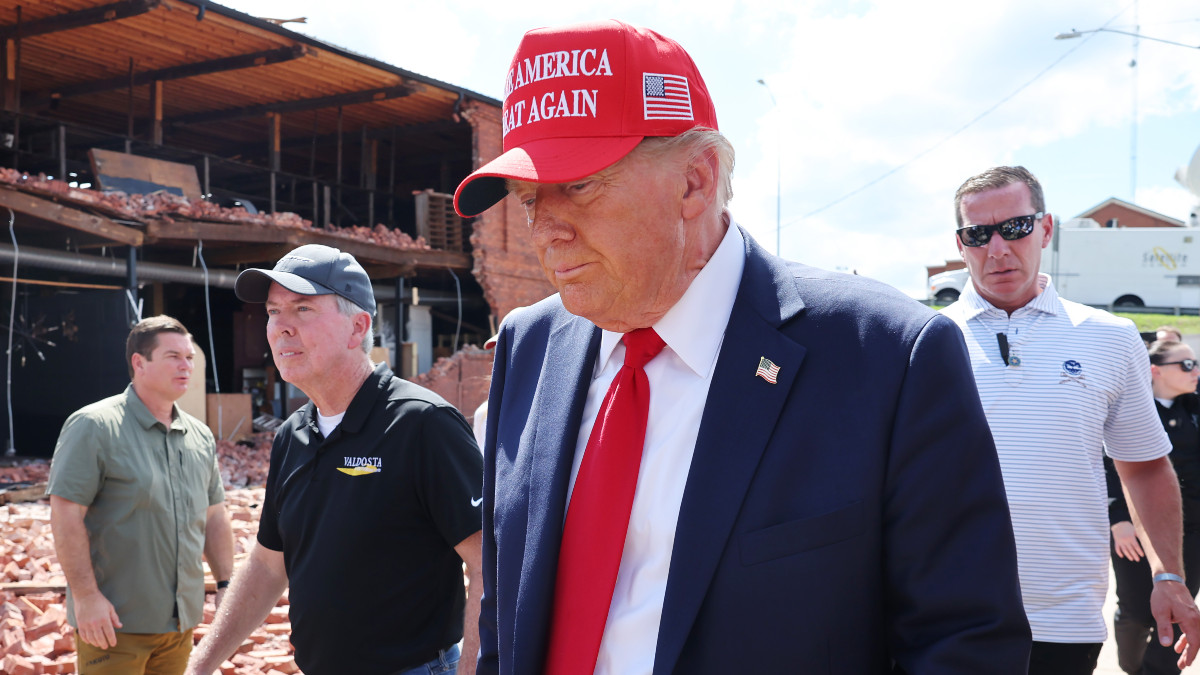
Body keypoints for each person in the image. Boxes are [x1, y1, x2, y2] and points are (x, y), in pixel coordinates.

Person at [453, 19, 1030, 675]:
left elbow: (965, 643)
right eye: (528, 199)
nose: (546, 230)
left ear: (694, 181)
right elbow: (507, 616)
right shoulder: (530, 345)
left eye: (578, 186)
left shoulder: (887, 357)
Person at [942, 165, 1200, 675]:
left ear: (1045, 228)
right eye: (978, 234)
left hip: (1065, 620)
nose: (997, 249)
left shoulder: (1111, 336)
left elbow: (1145, 467)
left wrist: (1169, 575)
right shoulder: (925, 338)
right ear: (961, 242)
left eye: (1014, 227)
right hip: (945, 616)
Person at [184, 244, 483, 675]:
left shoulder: (422, 424)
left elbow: (488, 565)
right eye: (272, 311)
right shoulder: (292, 436)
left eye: (302, 309)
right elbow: (269, 566)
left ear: (357, 327)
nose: (280, 327)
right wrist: (200, 666)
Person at [47, 315, 233, 675]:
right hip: (114, 626)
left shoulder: (199, 436)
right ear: (139, 363)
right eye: (173, 356)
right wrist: (86, 598)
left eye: (190, 357)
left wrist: (226, 584)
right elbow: (66, 514)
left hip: (180, 624)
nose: (185, 365)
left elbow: (214, 515)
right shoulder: (94, 427)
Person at [1106, 339, 1200, 675]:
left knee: (1178, 607)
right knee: (1134, 612)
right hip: (1134, 531)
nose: (1196, 372)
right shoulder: (1129, 408)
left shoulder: (1194, 409)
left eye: (1197, 364)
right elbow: (1107, 466)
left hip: (1190, 532)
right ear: (1155, 370)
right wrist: (1117, 519)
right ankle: (1131, 668)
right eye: (1186, 365)